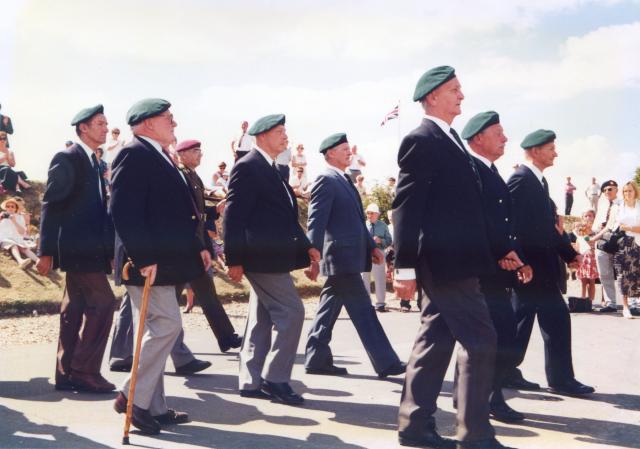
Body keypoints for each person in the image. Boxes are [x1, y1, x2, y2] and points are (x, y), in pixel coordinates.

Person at [394, 66, 510, 449]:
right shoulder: (422, 138)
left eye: (460, 89)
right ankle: (475, 436)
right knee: (480, 340)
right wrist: (404, 265)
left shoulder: (452, 139)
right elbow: (407, 208)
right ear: (432, 97)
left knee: (435, 340)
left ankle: (414, 427)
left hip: (459, 260)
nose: (462, 95)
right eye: (454, 90)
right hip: (444, 262)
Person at [110, 98, 203, 435]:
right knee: (165, 326)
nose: (174, 123)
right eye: (168, 118)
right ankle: (130, 396)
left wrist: (196, 250)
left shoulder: (158, 154)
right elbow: (123, 211)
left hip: (164, 260)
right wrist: (145, 257)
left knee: (157, 330)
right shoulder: (133, 153)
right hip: (145, 262)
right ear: (147, 123)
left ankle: (153, 405)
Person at [224, 114, 319, 406]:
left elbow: (286, 218)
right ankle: (276, 379)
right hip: (261, 258)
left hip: (271, 256)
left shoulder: (273, 168)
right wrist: (234, 258)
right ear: (261, 136)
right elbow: (233, 216)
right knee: (292, 313)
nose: (286, 137)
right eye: (280, 132)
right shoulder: (248, 166)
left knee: (261, 318)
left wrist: (308, 248)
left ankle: (250, 381)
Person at [304, 133, 405, 378]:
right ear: (329, 154)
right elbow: (316, 220)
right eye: (343, 149)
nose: (349, 152)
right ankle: (386, 362)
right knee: (364, 311)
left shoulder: (345, 180)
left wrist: (371, 246)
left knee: (328, 308)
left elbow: (358, 222)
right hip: (340, 257)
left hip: (349, 256)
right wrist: (311, 255)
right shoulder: (326, 179)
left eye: (349, 148)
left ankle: (316, 357)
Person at [505, 129, 594, 398]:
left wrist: (570, 255)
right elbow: (510, 225)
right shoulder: (521, 179)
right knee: (553, 319)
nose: (555, 152)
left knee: (521, 322)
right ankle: (560, 379)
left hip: (538, 268)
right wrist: (520, 263)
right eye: (551, 148)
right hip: (532, 268)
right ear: (534, 151)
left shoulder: (538, 181)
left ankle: (505, 371)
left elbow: (547, 228)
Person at [36, 104, 116, 394]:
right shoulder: (68, 157)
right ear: (83, 128)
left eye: (106, 124)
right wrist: (45, 251)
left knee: (75, 308)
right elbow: (51, 206)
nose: (106, 128)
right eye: (100, 123)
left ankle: (66, 371)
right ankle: (85, 371)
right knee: (104, 303)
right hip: (78, 250)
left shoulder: (95, 162)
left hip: (92, 249)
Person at [461, 111, 533, 423]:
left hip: (494, 265)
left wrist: (510, 252)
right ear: (478, 138)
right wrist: (500, 252)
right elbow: (474, 222)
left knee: (494, 335)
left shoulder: (491, 171)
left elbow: (501, 224)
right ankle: (487, 399)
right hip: (478, 269)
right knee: (497, 333)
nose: (505, 139)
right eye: (499, 133)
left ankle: (478, 397)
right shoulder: (471, 172)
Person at [176, 139, 243, 349]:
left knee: (207, 293)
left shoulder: (193, 176)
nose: (200, 155)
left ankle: (226, 337)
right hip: (184, 246)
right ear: (182, 154)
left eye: (200, 151)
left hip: (195, 245)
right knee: (166, 302)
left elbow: (198, 207)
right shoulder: (181, 174)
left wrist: (215, 210)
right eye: (195, 151)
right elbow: (187, 209)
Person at [592, 180, 621, 312]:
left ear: (616, 190)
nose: (607, 192)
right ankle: (611, 303)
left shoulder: (622, 204)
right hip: (601, 242)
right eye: (604, 190)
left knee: (623, 273)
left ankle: (633, 303)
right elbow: (595, 227)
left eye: (610, 189)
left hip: (618, 241)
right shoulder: (602, 207)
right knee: (604, 274)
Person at [612, 181, 640, 319]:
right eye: (625, 191)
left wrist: (629, 227)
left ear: (635, 191)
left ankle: (636, 303)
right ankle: (625, 307)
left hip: (638, 243)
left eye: (630, 190)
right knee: (624, 275)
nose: (627, 193)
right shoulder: (619, 207)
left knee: (637, 274)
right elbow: (616, 226)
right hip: (624, 244)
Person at [361, 203, 392, 312]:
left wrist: (380, 241)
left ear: (377, 214)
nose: (369, 215)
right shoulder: (362, 224)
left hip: (379, 253)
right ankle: (366, 303)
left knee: (379, 279)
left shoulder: (383, 225)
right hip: (364, 253)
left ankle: (380, 304)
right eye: (368, 213)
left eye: (372, 213)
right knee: (364, 279)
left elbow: (389, 241)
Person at [0, 197, 38, 269]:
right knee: (13, 245)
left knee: (24, 248)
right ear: (5, 208)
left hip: (16, 237)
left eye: (12, 206)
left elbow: (22, 232)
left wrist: (14, 221)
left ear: (16, 208)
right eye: (7, 206)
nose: (10, 208)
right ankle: (20, 261)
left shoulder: (20, 217)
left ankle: (38, 261)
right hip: (4, 238)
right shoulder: (2, 214)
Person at [573, 210, 599, 302]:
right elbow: (577, 243)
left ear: (594, 217)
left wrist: (588, 233)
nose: (588, 218)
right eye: (586, 216)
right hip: (582, 257)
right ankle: (583, 300)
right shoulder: (579, 230)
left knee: (591, 281)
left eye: (590, 216)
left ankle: (590, 300)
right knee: (583, 281)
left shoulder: (595, 230)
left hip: (591, 257)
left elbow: (593, 242)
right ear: (582, 218)